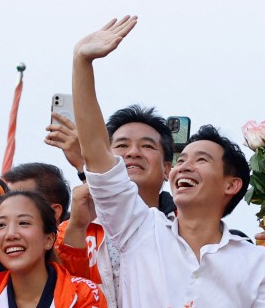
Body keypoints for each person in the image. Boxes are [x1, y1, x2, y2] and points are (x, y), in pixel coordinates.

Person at [72, 16, 265, 307]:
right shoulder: (138, 229)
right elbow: (97, 153)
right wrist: (82, 64)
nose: (185, 166)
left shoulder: (261, 264)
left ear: (231, 184)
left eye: (202, 160)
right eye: (181, 159)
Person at [44, 105, 176, 307]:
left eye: (147, 146)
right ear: (103, 159)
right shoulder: (69, 231)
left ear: (167, 169)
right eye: (122, 146)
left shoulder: (185, 229)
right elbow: (60, 293)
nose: (133, 153)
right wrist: (77, 230)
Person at [0, 191, 105, 308]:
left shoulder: (84, 295)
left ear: (49, 240)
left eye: (24, 223)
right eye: (1, 225)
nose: (11, 234)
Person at [3, 162, 71, 224]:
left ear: (54, 212)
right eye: (6, 198)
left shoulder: (76, 236)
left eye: (19, 200)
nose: (9, 205)